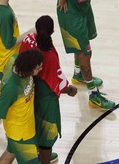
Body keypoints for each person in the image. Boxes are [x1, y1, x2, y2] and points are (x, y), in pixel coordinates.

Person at [39, 0, 115, 110]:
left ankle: (78, 74)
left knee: (82, 46)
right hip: (72, 14)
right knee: (85, 53)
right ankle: (93, 95)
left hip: (84, 8)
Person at [19, 15, 78, 164]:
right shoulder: (49, 53)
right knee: (46, 138)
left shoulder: (28, 40)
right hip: (46, 99)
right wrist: (69, 89)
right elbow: (55, 79)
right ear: (52, 31)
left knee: (31, 130)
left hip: (28, 94)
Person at [0, 49, 44, 164]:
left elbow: (3, 81)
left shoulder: (14, 60)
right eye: (38, 67)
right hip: (22, 135)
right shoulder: (12, 89)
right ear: (29, 68)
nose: (41, 69)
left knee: (9, 154)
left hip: (19, 129)